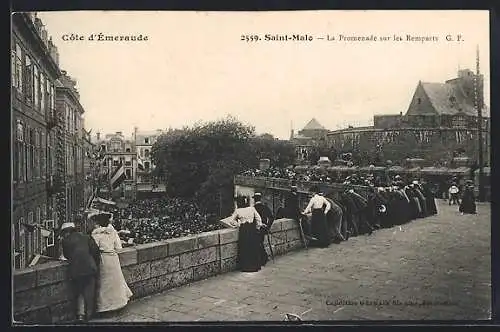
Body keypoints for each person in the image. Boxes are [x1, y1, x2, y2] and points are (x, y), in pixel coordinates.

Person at [91, 213, 133, 314]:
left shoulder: (95, 234)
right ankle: (119, 302)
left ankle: (105, 306)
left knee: (104, 282)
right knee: (116, 280)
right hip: (113, 258)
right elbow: (119, 247)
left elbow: (93, 249)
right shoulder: (113, 233)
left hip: (103, 259)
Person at [60, 222, 101, 323]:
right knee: (89, 292)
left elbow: (67, 255)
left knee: (79, 292)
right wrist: (94, 264)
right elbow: (96, 251)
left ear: (66, 232)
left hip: (76, 270)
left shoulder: (65, 241)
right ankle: (89, 316)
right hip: (90, 268)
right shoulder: (87, 237)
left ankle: (80, 315)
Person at [229, 196, 264, 272]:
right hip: (252, 229)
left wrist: (238, 225)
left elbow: (231, 221)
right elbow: (259, 219)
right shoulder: (252, 208)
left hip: (244, 230)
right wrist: (257, 228)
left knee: (244, 247)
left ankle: (245, 266)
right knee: (252, 247)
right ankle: (254, 266)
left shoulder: (238, 211)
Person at [253, 193, 274, 266]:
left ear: (254, 199)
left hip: (256, 229)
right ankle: (263, 258)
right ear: (260, 199)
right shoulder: (265, 207)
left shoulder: (253, 208)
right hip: (264, 229)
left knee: (258, 243)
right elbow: (271, 217)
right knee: (260, 242)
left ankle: (263, 258)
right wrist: (268, 227)